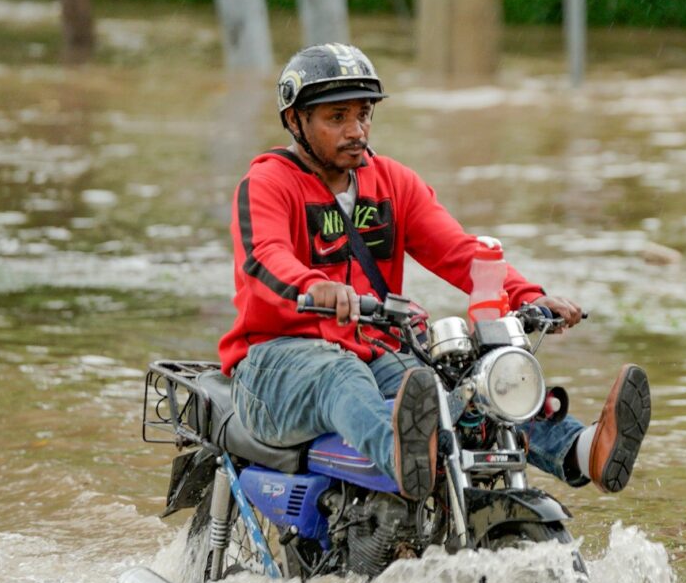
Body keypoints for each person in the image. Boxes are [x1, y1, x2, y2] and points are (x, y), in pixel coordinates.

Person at [218, 43, 653, 507]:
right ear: (294, 120)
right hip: (275, 364)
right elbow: (264, 257)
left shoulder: (393, 182)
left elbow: (460, 251)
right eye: (337, 117)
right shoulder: (266, 183)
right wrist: (313, 286)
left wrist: (529, 295)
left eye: (364, 115)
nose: (356, 130)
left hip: (370, 349)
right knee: (339, 375)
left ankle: (579, 450)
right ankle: (405, 457)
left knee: (466, 377)